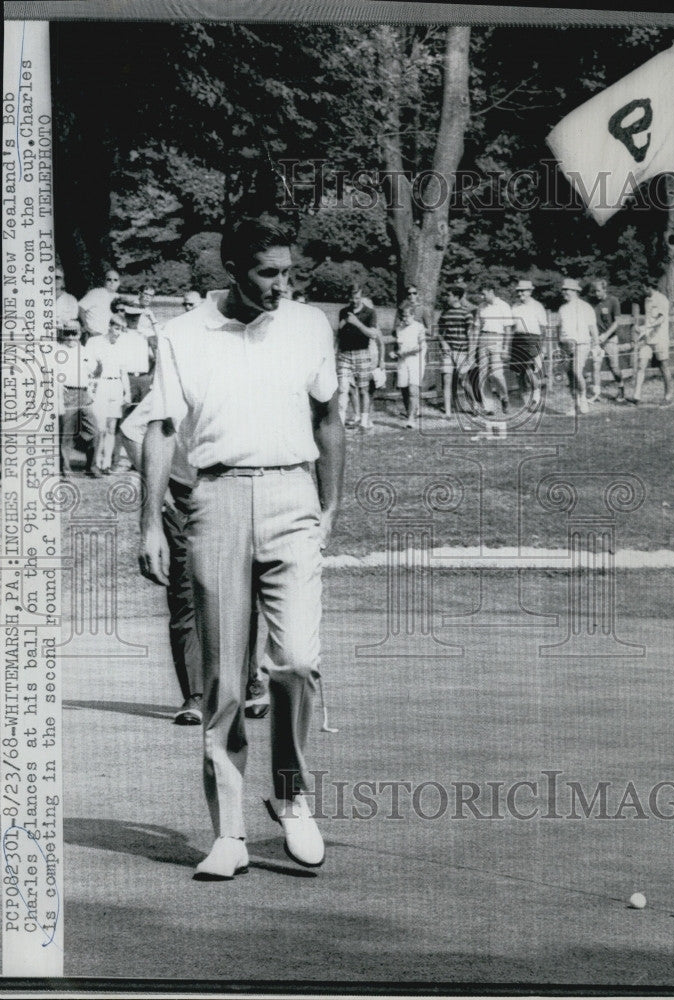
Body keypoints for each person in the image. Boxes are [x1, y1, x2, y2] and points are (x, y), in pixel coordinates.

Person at [139, 215, 344, 878]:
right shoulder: (182, 333)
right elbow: (161, 429)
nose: (283, 286)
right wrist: (147, 526)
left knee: (297, 663)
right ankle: (227, 834)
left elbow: (328, 418)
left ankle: (291, 794)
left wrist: (330, 506)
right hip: (218, 498)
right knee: (224, 677)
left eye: (290, 273)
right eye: (267, 274)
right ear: (233, 269)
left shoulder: (310, 325)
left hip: (293, 497)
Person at [121, 391, 269, 726]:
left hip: (236, 492)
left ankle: (249, 683)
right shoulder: (174, 384)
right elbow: (131, 430)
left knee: (243, 591)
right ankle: (197, 693)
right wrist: (157, 486)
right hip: (185, 497)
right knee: (185, 592)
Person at [86, 313, 131, 475]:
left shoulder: (123, 345)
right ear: (109, 326)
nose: (118, 332)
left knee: (112, 428)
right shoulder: (94, 342)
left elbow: (123, 371)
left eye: (121, 329)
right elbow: (88, 370)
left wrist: (128, 393)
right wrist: (90, 389)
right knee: (100, 427)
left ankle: (106, 464)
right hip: (101, 385)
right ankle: (95, 462)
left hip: (117, 386)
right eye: (116, 328)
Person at [336, 283, 382, 432]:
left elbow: (373, 334)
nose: (354, 301)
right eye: (352, 297)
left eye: (357, 297)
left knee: (363, 389)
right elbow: (339, 333)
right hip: (344, 353)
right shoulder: (344, 312)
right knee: (343, 388)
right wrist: (334, 350)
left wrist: (357, 323)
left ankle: (363, 422)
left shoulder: (369, 312)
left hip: (362, 352)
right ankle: (340, 423)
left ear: (361, 296)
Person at [57, 322, 97, 477]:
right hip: (68, 394)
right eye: (67, 334)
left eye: (74, 333)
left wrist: (91, 391)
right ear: (62, 334)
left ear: (80, 334)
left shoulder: (86, 352)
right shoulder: (58, 351)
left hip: (84, 394)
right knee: (66, 434)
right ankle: (65, 470)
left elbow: (93, 373)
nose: (70, 337)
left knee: (93, 431)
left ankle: (91, 467)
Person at [475, 281, 513, 431]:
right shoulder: (481, 307)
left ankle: (504, 398)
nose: (481, 296)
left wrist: (505, 348)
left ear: (491, 291)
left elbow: (508, 329)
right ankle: (488, 406)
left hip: (498, 339)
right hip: (483, 339)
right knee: (483, 374)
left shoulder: (503, 306)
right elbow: (477, 327)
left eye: (483, 293)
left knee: (497, 374)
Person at [557, 278, 598, 416]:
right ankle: (575, 405)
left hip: (582, 344)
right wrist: (559, 342)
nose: (564, 292)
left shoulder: (585, 307)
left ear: (575, 291)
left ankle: (583, 397)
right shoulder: (562, 308)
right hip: (565, 345)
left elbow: (593, 327)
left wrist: (596, 344)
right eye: (563, 290)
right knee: (570, 375)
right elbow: (559, 328)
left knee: (576, 370)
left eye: (567, 290)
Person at [631, 276, 673, 406]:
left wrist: (648, 327)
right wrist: (642, 329)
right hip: (647, 339)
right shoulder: (647, 300)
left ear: (648, 287)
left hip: (660, 339)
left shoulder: (662, 299)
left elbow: (661, 319)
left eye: (643, 287)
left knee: (663, 367)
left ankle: (668, 395)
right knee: (641, 365)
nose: (642, 290)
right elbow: (649, 318)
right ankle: (636, 396)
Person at [437, 285, 475, 418]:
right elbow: (439, 332)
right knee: (446, 379)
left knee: (463, 380)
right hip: (447, 351)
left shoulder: (466, 313)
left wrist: (470, 354)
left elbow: (471, 335)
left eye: (449, 295)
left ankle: (474, 404)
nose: (447, 298)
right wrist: (443, 343)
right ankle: (448, 412)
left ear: (456, 297)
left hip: (462, 351)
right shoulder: (444, 313)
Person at [511, 279, 548, 411]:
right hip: (517, 339)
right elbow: (511, 326)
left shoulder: (537, 306)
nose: (520, 293)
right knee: (518, 372)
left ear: (530, 291)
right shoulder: (514, 306)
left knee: (530, 370)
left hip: (532, 339)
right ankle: (525, 398)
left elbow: (543, 327)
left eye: (523, 291)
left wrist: (542, 346)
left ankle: (536, 398)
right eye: (519, 291)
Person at [391, 300, 426, 428]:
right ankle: (410, 412)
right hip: (403, 361)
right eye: (402, 316)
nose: (404, 319)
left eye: (407, 316)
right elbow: (399, 347)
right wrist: (395, 353)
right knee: (404, 389)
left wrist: (405, 352)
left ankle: (411, 419)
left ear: (412, 315)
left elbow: (420, 346)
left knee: (413, 389)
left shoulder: (419, 327)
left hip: (416, 361)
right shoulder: (399, 329)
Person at [590, 279, 626, 403]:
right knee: (596, 366)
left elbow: (617, 322)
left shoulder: (613, 301)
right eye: (595, 291)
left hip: (610, 339)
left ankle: (621, 388)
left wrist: (606, 335)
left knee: (614, 367)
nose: (596, 293)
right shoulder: (593, 303)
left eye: (598, 291)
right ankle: (597, 393)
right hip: (597, 340)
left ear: (605, 290)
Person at [78, 268, 120, 341]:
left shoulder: (116, 296)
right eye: (109, 279)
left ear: (119, 283)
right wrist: (85, 326)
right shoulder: (96, 293)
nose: (112, 282)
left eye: (115, 280)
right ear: (104, 281)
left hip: (107, 336)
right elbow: (80, 307)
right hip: (93, 334)